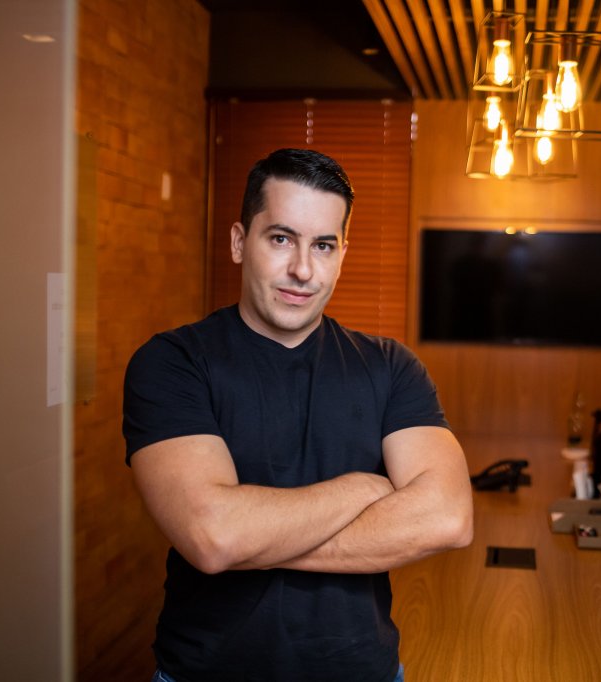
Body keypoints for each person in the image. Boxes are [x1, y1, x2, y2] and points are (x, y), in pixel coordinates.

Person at [123, 148, 474, 682]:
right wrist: (363, 489)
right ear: (240, 241)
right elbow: (213, 536)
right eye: (282, 238)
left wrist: (253, 540)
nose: (303, 270)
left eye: (323, 246)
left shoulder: (391, 367)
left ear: (342, 254)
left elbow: (448, 517)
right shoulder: (173, 363)